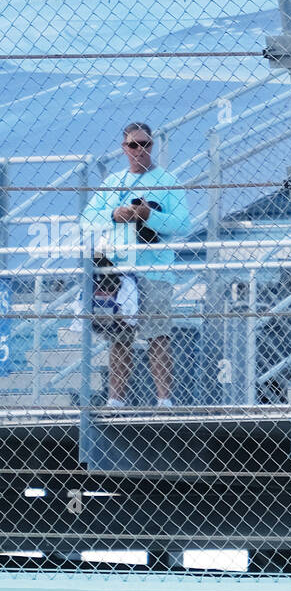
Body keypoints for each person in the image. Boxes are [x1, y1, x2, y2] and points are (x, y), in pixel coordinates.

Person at [80, 122, 192, 407]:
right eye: (134, 145)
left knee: (158, 336)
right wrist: (114, 214)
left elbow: (183, 224)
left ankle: (164, 401)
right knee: (119, 338)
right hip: (121, 271)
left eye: (146, 144)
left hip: (155, 270)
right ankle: (116, 400)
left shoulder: (168, 181)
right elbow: (86, 219)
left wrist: (148, 216)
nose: (140, 150)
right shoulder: (113, 183)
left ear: (153, 145)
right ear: (124, 148)